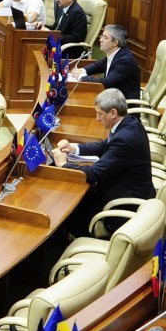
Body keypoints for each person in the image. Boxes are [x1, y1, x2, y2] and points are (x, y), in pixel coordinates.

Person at [52, 88, 154, 235]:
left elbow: (93, 174)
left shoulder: (124, 139)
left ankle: (70, 242)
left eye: (100, 114)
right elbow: (105, 145)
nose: (97, 119)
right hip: (125, 188)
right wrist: (74, 148)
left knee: (66, 210)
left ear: (113, 113)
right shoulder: (130, 123)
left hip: (123, 206)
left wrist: (64, 165)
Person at [73, 24, 141, 102]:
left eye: (105, 38)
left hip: (122, 107)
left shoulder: (125, 61)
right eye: (102, 36)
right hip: (111, 98)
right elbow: (98, 65)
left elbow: (105, 83)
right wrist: (83, 70)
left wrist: (82, 77)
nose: (100, 40)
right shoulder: (115, 53)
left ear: (115, 43)